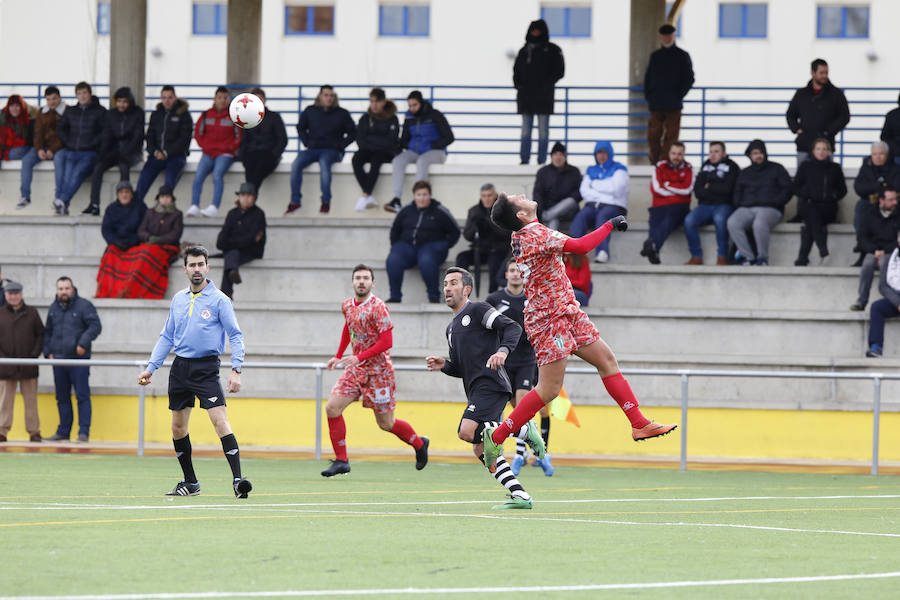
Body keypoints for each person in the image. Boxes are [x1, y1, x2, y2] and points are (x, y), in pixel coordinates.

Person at [484, 193, 676, 472]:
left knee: (606, 360)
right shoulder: (535, 232)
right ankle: (497, 436)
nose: (523, 195)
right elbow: (581, 246)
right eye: (518, 198)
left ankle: (638, 423)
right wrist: (609, 225)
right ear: (521, 215)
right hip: (549, 318)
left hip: (566, 311)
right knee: (548, 389)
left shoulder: (521, 235)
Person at [137, 246, 252, 498]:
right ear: (185, 269)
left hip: (206, 368)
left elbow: (235, 335)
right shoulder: (178, 299)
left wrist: (236, 369)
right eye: (193, 265)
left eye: (201, 264)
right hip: (180, 368)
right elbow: (167, 336)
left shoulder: (220, 300)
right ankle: (190, 483)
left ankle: (237, 480)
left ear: (208, 267)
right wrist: (150, 368)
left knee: (219, 421)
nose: (197, 269)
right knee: (178, 428)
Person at [427, 267, 542, 509]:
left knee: (467, 431)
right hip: (477, 388)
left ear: (466, 289)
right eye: (446, 283)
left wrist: (502, 351)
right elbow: (460, 367)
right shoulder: (450, 329)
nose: (447, 287)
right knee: (480, 448)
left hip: (491, 383)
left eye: (454, 283)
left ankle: (521, 430)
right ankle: (520, 495)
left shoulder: (477, 310)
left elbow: (512, 328)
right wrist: (444, 365)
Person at [322, 264, 429, 476]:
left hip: (379, 372)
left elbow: (387, 342)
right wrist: (338, 355)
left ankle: (418, 444)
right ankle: (342, 460)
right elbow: (348, 328)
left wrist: (358, 356)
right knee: (332, 408)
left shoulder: (378, 307)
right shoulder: (347, 305)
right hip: (356, 369)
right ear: (352, 282)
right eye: (358, 278)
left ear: (373, 283)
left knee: (386, 423)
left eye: (365, 278)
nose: (361, 281)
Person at [486, 259, 552, 477]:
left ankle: (518, 456)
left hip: (526, 359)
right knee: (514, 409)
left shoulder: (533, 298)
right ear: (506, 275)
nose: (515, 274)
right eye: (512, 270)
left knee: (524, 403)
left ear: (525, 275)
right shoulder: (494, 299)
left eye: (519, 270)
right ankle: (533, 449)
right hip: (503, 360)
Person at [96, 185, 183, 299]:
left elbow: (175, 234)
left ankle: (131, 290)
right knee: (112, 253)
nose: (165, 200)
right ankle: (111, 289)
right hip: (142, 243)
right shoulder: (150, 212)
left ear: (172, 199)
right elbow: (142, 230)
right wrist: (147, 238)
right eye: (162, 197)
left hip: (165, 246)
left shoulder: (176, 214)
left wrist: (157, 240)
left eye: (167, 197)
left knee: (144, 255)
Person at [44, 277, 102, 442]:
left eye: (66, 288)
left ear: (73, 288)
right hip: (59, 361)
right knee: (61, 397)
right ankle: (63, 431)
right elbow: (48, 332)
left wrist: (83, 342)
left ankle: (83, 433)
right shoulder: (53, 308)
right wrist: (48, 352)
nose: (63, 291)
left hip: (79, 361)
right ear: (57, 290)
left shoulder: (84, 305)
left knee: (82, 396)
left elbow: (95, 326)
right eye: (60, 288)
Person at [385, 180, 460, 303]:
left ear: (429, 195)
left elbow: (455, 231)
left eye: (424, 195)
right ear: (414, 196)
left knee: (426, 260)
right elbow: (395, 230)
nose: (422, 198)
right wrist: (396, 247)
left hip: (432, 248)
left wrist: (444, 246)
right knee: (393, 259)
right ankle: (395, 296)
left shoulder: (440, 211)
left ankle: (434, 297)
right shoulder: (406, 210)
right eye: (419, 195)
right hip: (408, 247)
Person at [286, 85, 356, 215]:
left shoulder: (342, 113)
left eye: (331, 95)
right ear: (320, 96)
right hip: (312, 149)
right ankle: (295, 201)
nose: (329, 98)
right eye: (326, 95)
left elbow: (353, 133)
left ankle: (325, 201)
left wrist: (340, 146)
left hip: (332, 151)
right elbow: (300, 127)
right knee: (296, 164)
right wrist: (306, 142)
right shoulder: (310, 111)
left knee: (324, 163)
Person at [385, 91, 454, 213]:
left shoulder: (435, 115)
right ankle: (396, 199)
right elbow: (404, 139)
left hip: (436, 152)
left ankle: (418, 199)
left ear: (421, 103)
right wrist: (401, 147)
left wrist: (430, 145)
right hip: (415, 152)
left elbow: (449, 137)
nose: (412, 108)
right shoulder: (409, 117)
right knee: (398, 160)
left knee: (422, 161)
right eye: (410, 105)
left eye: (415, 105)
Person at [726, 140, 792, 266]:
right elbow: (737, 192)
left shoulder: (777, 168)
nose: (758, 156)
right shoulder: (744, 173)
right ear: (750, 156)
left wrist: (776, 202)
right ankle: (748, 257)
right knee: (732, 222)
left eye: (761, 152)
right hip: (747, 207)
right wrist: (739, 204)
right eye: (755, 153)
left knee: (759, 223)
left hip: (771, 208)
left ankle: (762, 259)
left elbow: (788, 189)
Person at [83, 87, 143, 216]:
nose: (122, 105)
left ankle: (123, 204)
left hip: (131, 151)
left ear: (130, 102)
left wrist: (126, 152)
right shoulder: (111, 114)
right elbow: (107, 136)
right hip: (115, 151)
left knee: (124, 167)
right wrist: (103, 154)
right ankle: (94, 204)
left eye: (125, 102)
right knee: (98, 167)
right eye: (119, 101)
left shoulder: (138, 113)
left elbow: (137, 136)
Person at [513, 18, 565, 165]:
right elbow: (516, 71)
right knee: (525, 132)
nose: (535, 33)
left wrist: (546, 85)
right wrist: (518, 85)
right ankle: (524, 160)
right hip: (526, 99)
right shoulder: (524, 51)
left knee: (543, 132)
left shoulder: (553, 50)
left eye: (538, 30)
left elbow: (559, 71)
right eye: (533, 30)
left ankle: (541, 161)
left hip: (544, 98)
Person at [643, 23, 694, 164]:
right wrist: (649, 97)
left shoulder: (682, 56)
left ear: (673, 36)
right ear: (660, 37)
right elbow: (648, 78)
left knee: (671, 137)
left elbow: (689, 78)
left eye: (669, 35)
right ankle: (655, 162)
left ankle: (665, 162)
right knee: (653, 135)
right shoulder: (655, 56)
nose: (666, 38)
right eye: (664, 36)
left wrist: (678, 95)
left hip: (674, 105)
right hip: (656, 105)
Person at [0, 281, 44, 443]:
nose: (13, 296)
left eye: (16, 293)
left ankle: (34, 431)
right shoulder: (0, 313)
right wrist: (3, 358)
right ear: (5, 295)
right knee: (5, 401)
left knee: (31, 400)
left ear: (21, 294)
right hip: (6, 366)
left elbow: (40, 335)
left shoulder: (32, 313)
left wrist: (33, 356)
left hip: (28, 365)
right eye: (10, 294)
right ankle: (2, 431)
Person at [571, 141, 628, 263]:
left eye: (604, 153)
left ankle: (603, 252)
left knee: (603, 217)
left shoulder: (620, 169)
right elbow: (584, 191)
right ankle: (574, 252)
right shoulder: (591, 170)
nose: (601, 156)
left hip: (614, 207)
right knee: (581, 216)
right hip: (593, 206)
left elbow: (615, 189)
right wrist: (604, 192)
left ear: (610, 154)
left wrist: (594, 185)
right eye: (598, 153)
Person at [792, 138, 847, 266]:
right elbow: (795, 187)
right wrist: (807, 194)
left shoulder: (835, 168)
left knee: (810, 222)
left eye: (824, 149)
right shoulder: (806, 166)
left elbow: (842, 190)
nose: (821, 152)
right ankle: (822, 246)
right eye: (818, 149)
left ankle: (803, 257)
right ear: (813, 151)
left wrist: (832, 196)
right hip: (809, 204)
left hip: (828, 207)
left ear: (829, 151)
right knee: (812, 212)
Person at [135, 85, 193, 204]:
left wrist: (167, 152)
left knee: (169, 181)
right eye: (164, 97)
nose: (167, 100)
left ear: (175, 98)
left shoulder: (184, 115)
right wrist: (155, 152)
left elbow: (184, 139)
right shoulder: (156, 114)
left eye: (170, 97)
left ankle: (164, 209)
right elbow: (149, 136)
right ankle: (135, 208)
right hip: (157, 156)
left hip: (176, 156)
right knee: (143, 179)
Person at [684, 141, 739, 265]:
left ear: (724, 153)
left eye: (716, 151)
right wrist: (716, 186)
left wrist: (709, 186)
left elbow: (727, 190)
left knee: (720, 219)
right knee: (689, 220)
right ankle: (696, 256)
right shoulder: (705, 166)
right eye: (711, 151)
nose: (712, 155)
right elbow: (698, 190)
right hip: (705, 206)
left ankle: (722, 256)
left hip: (724, 205)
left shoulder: (732, 166)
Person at [189, 87, 242, 217]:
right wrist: (205, 145)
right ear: (214, 99)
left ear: (229, 100)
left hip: (225, 154)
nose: (222, 101)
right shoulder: (206, 114)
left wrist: (230, 148)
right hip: (208, 153)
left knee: (217, 175)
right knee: (198, 177)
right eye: (219, 97)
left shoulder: (234, 116)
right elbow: (198, 132)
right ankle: (194, 206)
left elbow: (239, 136)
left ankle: (214, 207)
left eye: (225, 98)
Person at [786, 58, 850, 165]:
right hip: (804, 146)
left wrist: (829, 131)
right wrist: (797, 129)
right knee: (803, 180)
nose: (824, 75)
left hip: (826, 145)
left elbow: (844, 116)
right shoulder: (801, 94)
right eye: (821, 73)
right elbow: (790, 114)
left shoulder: (836, 94)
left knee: (827, 179)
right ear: (813, 72)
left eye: (826, 72)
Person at [55, 81, 106, 215]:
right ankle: (63, 206)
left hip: (89, 153)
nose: (82, 96)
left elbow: (105, 132)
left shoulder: (100, 111)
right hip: (72, 150)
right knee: (68, 178)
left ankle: (61, 200)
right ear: (76, 96)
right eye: (79, 93)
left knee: (77, 174)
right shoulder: (71, 111)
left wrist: (93, 143)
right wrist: (68, 142)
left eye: (84, 93)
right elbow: (60, 128)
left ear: (90, 94)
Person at [641, 141, 694, 264]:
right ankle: (654, 248)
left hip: (679, 207)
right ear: (669, 154)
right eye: (674, 153)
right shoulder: (660, 166)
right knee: (655, 217)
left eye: (680, 154)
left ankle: (652, 244)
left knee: (672, 215)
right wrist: (677, 192)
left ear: (684, 154)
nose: (676, 157)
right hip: (660, 206)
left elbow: (687, 189)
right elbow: (656, 189)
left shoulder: (688, 168)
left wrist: (668, 186)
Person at [454, 183, 510, 295]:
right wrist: (475, 225)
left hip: (498, 249)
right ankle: (461, 292)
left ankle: (492, 295)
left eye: (489, 195)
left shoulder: (504, 209)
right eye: (484, 196)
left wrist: (490, 222)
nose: (487, 199)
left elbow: (507, 233)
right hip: (480, 250)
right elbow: (467, 236)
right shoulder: (474, 211)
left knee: (494, 261)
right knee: (461, 258)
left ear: (495, 196)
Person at [18, 86, 67, 210]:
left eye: (54, 98)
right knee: (27, 160)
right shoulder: (42, 112)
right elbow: (37, 133)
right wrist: (39, 149)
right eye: (49, 99)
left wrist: (53, 150)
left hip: (59, 148)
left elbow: (66, 135)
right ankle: (25, 196)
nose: (52, 102)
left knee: (59, 161)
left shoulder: (67, 112)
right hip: (43, 147)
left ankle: (59, 197)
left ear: (60, 98)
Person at [216, 183, 267, 300]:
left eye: (249, 195)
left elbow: (251, 239)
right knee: (231, 255)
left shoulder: (259, 214)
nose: (245, 198)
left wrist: (230, 243)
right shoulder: (232, 213)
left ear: (254, 198)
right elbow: (221, 240)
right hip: (233, 251)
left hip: (251, 252)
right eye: (243, 195)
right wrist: (233, 243)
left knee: (230, 254)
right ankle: (232, 274)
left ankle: (226, 293)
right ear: (239, 197)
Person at [352, 87, 400, 211]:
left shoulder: (393, 119)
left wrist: (371, 140)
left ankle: (366, 195)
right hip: (367, 150)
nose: (374, 105)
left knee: (376, 159)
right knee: (356, 159)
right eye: (372, 101)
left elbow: (391, 141)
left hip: (386, 153)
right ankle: (367, 194)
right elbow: (360, 140)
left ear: (383, 102)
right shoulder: (365, 118)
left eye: (377, 101)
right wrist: (377, 142)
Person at [852, 188, 899, 312]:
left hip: (892, 251)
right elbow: (862, 237)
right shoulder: (870, 214)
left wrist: (885, 251)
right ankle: (861, 301)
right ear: (881, 201)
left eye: (896, 199)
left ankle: (892, 299)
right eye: (891, 200)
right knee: (867, 262)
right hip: (874, 250)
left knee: (885, 262)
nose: (895, 202)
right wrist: (874, 251)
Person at [238, 87, 287, 195]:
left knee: (257, 171)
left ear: (265, 101)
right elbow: (243, 140)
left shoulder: (274, 117)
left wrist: (274, 154)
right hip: (251, 154)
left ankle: (246, 196)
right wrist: (242, 155)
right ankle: (249, 198)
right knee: (251, 170)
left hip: (268, 154)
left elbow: (282, 139)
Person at [865, 230, 900, 358]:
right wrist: (898, 303)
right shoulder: (888, 259)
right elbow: (883, 286)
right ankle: (876, 347)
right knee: (876, 307)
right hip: (895, 298)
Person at [853, 142, 900, 235]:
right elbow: (858, 188)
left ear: (887, 155)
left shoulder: (896, 169)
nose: (877, 157)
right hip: (869, 201)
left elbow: (896, 187)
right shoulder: (865, 168)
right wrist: (879, 185)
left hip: (890, 202)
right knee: (860, 207)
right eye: (874, 154)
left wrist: (873, 187)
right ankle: (862, 239)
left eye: (881, 154)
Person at [533, 141, 582, 232]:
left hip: (569, 209)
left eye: (561, 154)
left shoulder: (574, 171)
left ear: (565, 157)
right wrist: (540, 210)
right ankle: (552, 246)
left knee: (570, 201)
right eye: (555, 154)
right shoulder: (543, 172)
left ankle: (546, 216)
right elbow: (538, 193)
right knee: (553, 220)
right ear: (551, 156)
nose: (558, 157)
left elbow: (579, 193)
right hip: (550, 208)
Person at [0, 95, 33, 162]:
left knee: (20, 151)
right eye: (11, 106)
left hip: (21, 148)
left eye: (17, 106)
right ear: (8, 107)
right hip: (5, 149)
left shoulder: (27, 119)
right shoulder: (3, 118)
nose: (14, 109)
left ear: (21, 107)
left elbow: (29, 141)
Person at [882, 93, 900, 165]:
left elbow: (884, 136)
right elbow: (884, 136)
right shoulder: (891, 115)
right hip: (896, 155)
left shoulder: (891, 114)